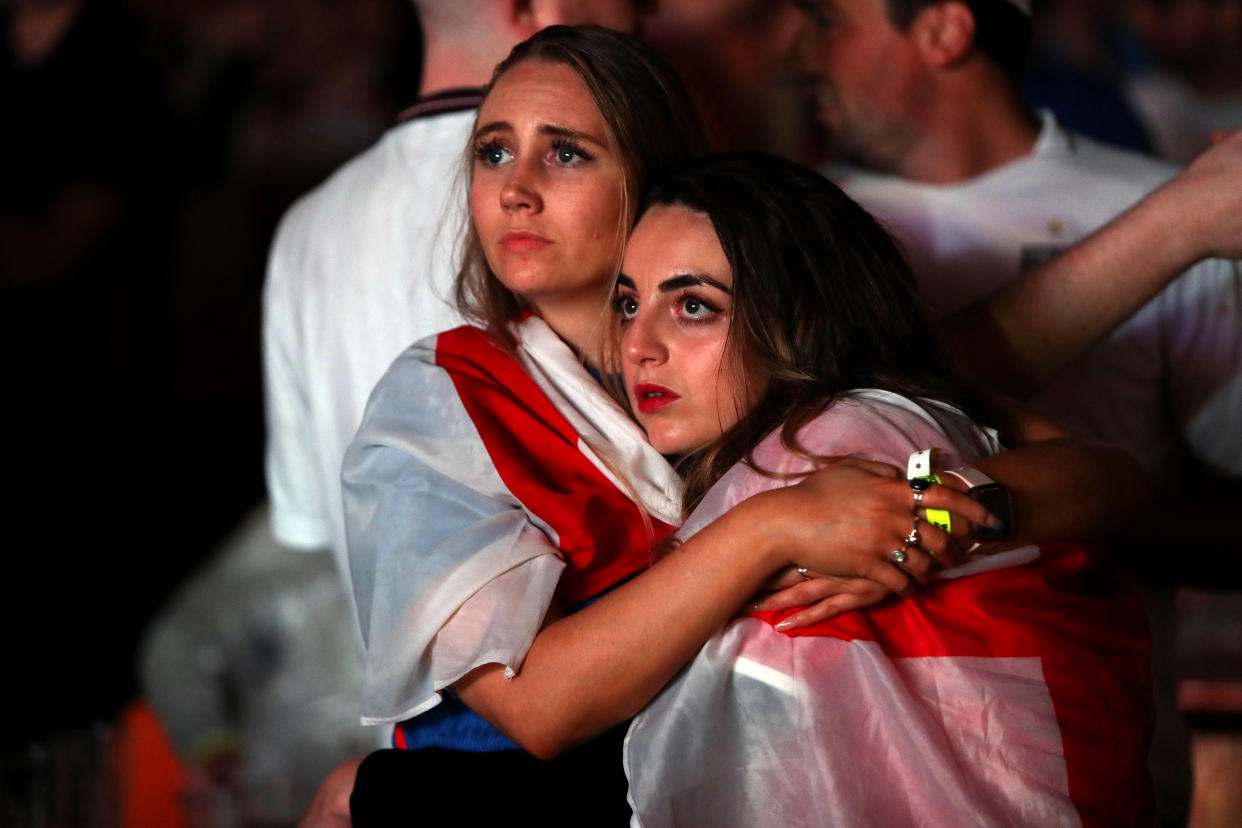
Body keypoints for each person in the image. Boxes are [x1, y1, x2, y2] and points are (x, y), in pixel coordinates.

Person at [336, 25, 1146, 826]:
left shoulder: (763, 348)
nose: (516, 187)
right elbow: (538, 708)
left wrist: (923, 513)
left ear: (648, 177)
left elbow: (1098, 476)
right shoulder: (443, 397)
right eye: (493, 151)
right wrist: (778, 526)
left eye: (568, 152)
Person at [615, 152, 1153, 826]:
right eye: (628, 303)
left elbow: (1090, 475)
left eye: (694, 306)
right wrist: (928, 518)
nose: (638, 344)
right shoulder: (867, 426)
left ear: (801, 319)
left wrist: (931, 517)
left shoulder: (830, 441)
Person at [262, 1, 651, 621]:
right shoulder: (567, 216)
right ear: (530, 7)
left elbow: (316, 526)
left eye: (566, 153)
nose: (646, 11)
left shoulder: (305, 232)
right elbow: (517, 687)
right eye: (493, 153)